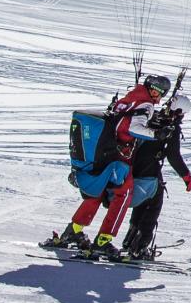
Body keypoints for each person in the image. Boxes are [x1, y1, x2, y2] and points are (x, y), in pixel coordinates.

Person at [44, 73, 172, 257]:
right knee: (123, 194)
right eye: (160, 94)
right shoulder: (145, 104)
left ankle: (73, 230)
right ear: (154, 91)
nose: (159, 100)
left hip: (104, 153)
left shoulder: (130, 97)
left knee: (98, 191)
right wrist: (156, 134)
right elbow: (133, 128)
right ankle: (103, 240)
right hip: (119, 157)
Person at [119, 98, 191, 261]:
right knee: (153, 206)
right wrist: (186, 176)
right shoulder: (170, 127)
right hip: (149, 171)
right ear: (180, 112)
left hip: (133, 168)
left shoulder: (152, 116)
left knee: (143, 203)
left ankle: (130, 241)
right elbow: (173, 155)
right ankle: (139, 247)